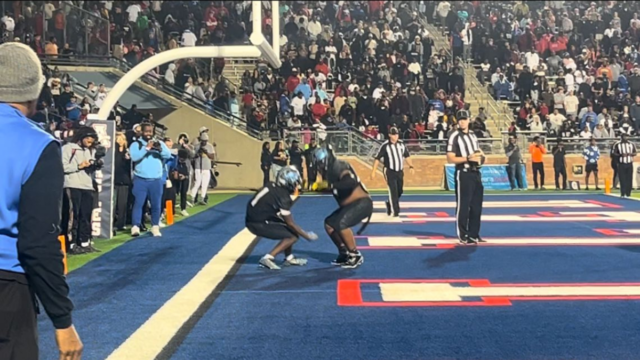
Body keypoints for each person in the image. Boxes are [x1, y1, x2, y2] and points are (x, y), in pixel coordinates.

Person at [0, 42, 82, 360]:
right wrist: (62, 320)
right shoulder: (38, 144)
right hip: (7, 288)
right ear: (34, 92)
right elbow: (37, 243)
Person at [246, 166, 318, 270]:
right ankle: (268, 258)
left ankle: (289, 258)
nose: (296, 186)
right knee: (293, 236)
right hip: (258, 223)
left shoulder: (271, 185)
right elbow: (290, 223)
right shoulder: (283, 196)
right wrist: (306, 235)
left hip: (255, 217)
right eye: (295, 182)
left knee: (290, 231)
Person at [315, 145, 373, 268]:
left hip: (362, 202)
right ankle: (344, 252)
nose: (319, 165)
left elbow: (349, 182)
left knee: (341, 224)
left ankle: (355, 254)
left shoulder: (339, 166)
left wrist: (331, 186)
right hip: (352, 204)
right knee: (329, 224)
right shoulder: (329, 171)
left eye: (320, 162)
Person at [446, 109, 486, 244]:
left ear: (469, 120)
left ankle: (474, 234)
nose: (462, 121)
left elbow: (478, 152)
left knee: (476, 205)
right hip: (463, 172)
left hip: (476, 172)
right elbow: (450, 158)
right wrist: (467, 158)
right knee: (463, 205)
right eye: (460, 119)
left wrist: (482, 157)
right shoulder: (454, 136)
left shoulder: (473, 135)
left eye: (464, 119)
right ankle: (463, 234)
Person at [129, 122, 172, 237]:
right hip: (140, 179)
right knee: (138, 203)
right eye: (146, 131)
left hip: (156, 180)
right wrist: (146, 148)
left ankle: (155, 226)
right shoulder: (136, 144)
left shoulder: (160, 143)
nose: (148, 134)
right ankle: (135, 226)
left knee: (156, 204)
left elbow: (168, 155)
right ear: (141, 132)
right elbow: (134, 157)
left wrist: (160, 149)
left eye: (150, 131)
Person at [370, 127, 415, 216]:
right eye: (394, 134)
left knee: (400, 190)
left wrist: (411, 166)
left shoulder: (401, 144)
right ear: (390, 135)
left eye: (397, 134)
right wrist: (373, 172)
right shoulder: (385, 145)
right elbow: (377, 158)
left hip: (399, 170)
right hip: (389, 171)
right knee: (393, 190)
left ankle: (389, 202)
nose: (396, 136)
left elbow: (407, 155)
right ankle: (396, 211)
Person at [612, 131, 637, 198]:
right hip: (621, 163)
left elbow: (635, 153)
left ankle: (628, 193)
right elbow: (614, 153)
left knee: (629, 178)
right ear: (621, 137)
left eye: (627, 136)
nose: (626, 138)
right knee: (622, 178)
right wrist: (620, 155)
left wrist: (630, 154)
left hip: (629, 163)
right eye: (624, 136)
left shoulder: (631, 144)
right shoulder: (617, 144)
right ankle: (622, 193)